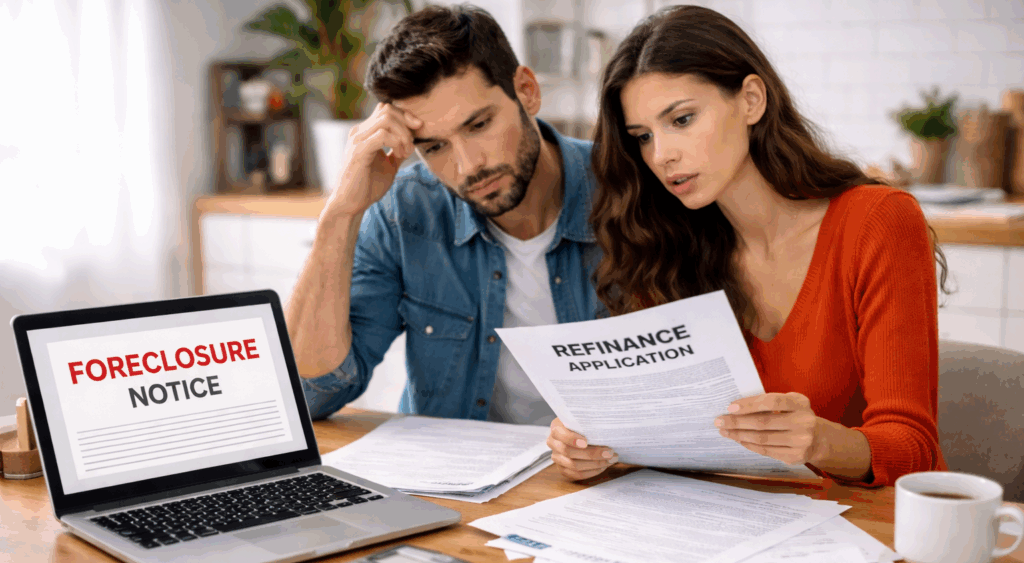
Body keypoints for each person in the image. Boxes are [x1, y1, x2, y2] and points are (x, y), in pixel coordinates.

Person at [546, 5, 950, 485]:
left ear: (752, 100)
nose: (661, 154)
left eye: (682, 119)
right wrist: (594, 445)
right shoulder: (666, 250)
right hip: (727, 527)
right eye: (643, 136)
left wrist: (820, 441)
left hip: (863, 529)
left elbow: (915, 451)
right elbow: (668, 441)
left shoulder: (877, 223)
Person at [286, 5, 604, 429]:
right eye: (434, 147)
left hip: (604, 479)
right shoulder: (405, 211)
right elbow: (311, 395)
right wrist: (340, 213)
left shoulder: (628, 192)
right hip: (455, 484)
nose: (469, 166)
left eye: (479, 125)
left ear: (526, 90)